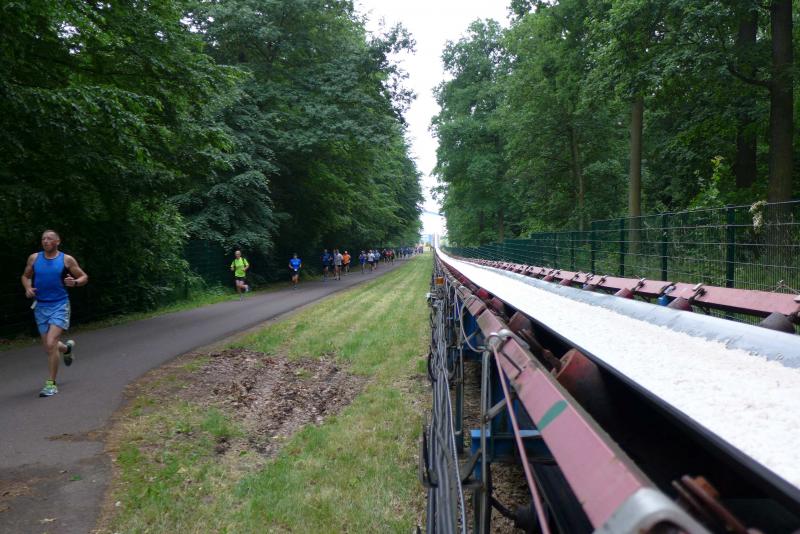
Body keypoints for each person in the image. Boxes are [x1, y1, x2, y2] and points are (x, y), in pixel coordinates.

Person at [21, 230, 89, 397]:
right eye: (43, 238)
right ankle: (66, 349)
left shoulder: (66, 259)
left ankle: (51, 384)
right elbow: (25, 276)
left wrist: (75, 282)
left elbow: (84, 277)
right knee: (48, 346)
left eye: (49, 238)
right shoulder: (34, 258)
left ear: (57, 241)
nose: (46, 241)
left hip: (60, 305)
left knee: (51, 343)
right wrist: (28, 288)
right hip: (40, 307)